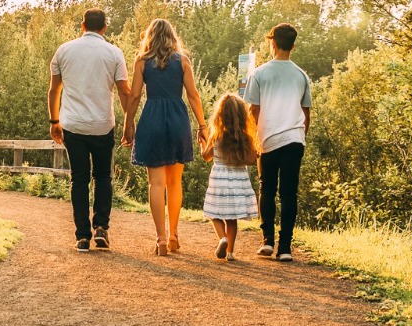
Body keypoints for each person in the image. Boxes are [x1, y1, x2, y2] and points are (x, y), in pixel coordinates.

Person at [48, 8, 131, 253]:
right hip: (102, 126)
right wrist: (130, 123)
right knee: (103, 177)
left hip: (73, 125)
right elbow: (125, 92)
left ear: (82, 25)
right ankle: (101, 228)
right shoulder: (114, 53)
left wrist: (54, 121)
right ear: (105, 27)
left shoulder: (64, 50)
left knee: (79, 180)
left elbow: (54, 91)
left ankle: (82, 236)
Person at [121, 18, 206, 256]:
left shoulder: (141, 62)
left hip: (152, 120)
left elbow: (135, 96)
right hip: (178, 121)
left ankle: (159, 239)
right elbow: (193, 95)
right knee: (174, 183)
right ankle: (173, 236)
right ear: (172, 36)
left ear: (150, 36)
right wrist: (202, 125)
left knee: (155, 184)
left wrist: (128, 125)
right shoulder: (183, 62)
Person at [242, 23, 311, 262]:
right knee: (289, 193)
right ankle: (285, 248)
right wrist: (301, 137)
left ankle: (267, 241)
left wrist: (252, 140)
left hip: (267, 139)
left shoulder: (259, 74)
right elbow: (306, 112)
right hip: (294, 139)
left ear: (272, 43)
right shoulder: (301, 75)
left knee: (267, 188)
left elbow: (253, 111)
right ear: (293, 45)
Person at [200, 93, 261, 262]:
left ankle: (222, 239)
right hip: (238, 180)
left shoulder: (217, 135)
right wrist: (255, 154)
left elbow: (206, 157)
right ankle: (230, 252)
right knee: (232, 218)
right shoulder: (245, 138)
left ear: (220, 114)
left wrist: (201, 144)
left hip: (219, 178)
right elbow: (250, 160)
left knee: (214, 213)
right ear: (242, 115)